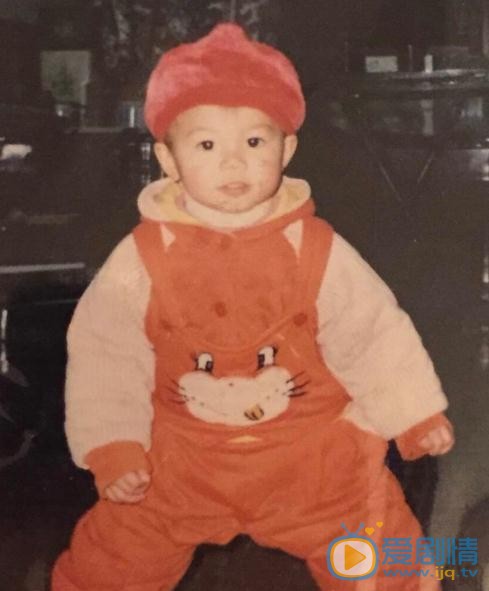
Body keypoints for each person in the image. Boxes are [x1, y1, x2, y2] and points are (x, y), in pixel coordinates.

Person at [52, 22, 454, 591]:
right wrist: (114, 446)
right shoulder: (139, 259)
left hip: (310, 461)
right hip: (179, 461)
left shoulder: (318, 250)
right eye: (207, 145)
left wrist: (412, 413)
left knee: (379, 555)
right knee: (114, 558)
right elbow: (106, 354)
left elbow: (372, 333)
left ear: (286, 149)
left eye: (254, 143)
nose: (234, 164)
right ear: (168, 159)